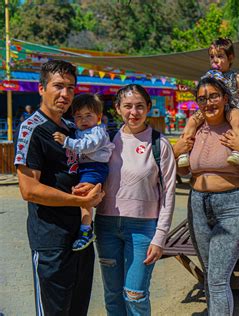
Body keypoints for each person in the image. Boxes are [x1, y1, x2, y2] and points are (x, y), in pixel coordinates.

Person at [14, 60, 104, 316]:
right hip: (51, 241)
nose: (65, 94)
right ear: (42, 88)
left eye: (71, 88)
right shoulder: (31, 129)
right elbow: (28, 189)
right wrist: (80, 202)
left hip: (81, 237)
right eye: (58, 86)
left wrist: (98, 189)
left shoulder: (74, 129)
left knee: (77, 310)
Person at [174, 75, 239, 316]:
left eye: (214, 96)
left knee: (217, 278)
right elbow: (184, 171)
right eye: (202, 98)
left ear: (225, 98)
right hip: (197, 204)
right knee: (210, 274)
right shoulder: (196, 129)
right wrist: (179, 151)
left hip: (231, 205)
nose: (208, 102)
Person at [92, 84, 176, 315]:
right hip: (106, 226)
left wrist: (160, 237)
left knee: (135, 295)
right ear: (117, 108)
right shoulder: (105, 141)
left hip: (142, 229)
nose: (134, 112)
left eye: (140, 106)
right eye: (127, 106)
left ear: (148, 108)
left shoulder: (160, 144)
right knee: (112, 295)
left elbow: (168, 194)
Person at [52, 93, 115, 251]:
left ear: (99, 116)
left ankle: (86, 230)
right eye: (78, 116)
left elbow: (88, 146)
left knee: (83, 195)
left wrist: (66, 141)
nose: (83, 120)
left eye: (88, 115)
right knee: (80, 194)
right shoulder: (77, 130)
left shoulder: (98, 132)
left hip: (95, 167)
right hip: (84, 167)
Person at [177, 37, 239, 168]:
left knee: (237, 119)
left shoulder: (235, 76)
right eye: (212, 57)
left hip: (231, 106)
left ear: (231, 58)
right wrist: (189, 90)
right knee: (192, 121)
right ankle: (184, 151)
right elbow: (201, 94)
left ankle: (237, 150)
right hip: (209, 106)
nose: (215, 60)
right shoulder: (208, 76)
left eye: (220, 56)